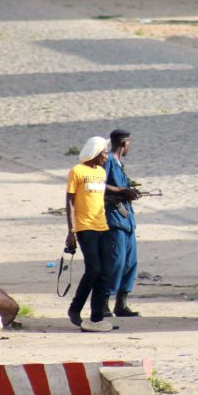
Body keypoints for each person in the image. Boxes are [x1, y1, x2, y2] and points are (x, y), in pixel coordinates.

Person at [65, 136, 114, 333]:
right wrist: (71, 231)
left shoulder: (101, 172)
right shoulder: (77, 171)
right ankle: (75, 308)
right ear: (95, 152)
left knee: (104, 272)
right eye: (104, 153)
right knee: (93, 269)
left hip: (103, 226)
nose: (106, 156)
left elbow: (100, 196)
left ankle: (97, 317)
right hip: (85, 228)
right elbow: (69, 201)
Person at [104, 129, 142, 317]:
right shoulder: (108, 161)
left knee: (130, 262)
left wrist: (130, 190)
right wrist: (121, 191)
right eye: (129, 144)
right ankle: (104, 303)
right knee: (115, 262)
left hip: (127, 219)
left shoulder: (119, 164)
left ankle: (121, 304)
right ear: (124, 143)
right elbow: (98, 185)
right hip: (114, 218)